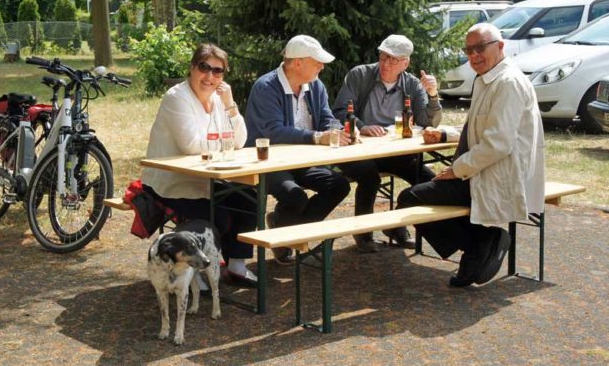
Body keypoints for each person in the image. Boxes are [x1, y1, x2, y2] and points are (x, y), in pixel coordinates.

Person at [396, 23, 545, 287]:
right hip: (479, 170)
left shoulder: (507, 82)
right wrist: (444, 135)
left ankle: (480, 243)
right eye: (469, 50)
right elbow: (478, 127)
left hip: (495, 175)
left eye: (480, 48)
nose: (474, 55)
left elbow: (498, 143)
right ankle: (478, 246)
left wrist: (458, 169)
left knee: (410, 198)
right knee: (426, 193)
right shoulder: (487, 78)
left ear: (500, 47)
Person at [141, 43, 258, 288]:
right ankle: (193, 271)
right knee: (218, 216)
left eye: (218, 71)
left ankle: (237, 265)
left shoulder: (219, 100)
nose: (210, 76)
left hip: (206, 178)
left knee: (249, 199)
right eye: (204, 67)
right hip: (171, 180)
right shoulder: (177, 98)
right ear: (192, 68)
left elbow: (239, 140)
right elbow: (191, 146)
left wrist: (231, 104)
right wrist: (222, 145)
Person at [244, 35, 352, 264]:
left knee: (339, 185)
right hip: (268, 161)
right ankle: (286, 234)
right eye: (317, 62)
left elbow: (327, 118)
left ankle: (283, 232)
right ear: (297, 63)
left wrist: (339, 131)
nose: (322, 66)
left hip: (302, 160)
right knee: (295, 195)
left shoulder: (315, 85)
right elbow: (273, 132)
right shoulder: (266, 87)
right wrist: (316, 137)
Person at [332, 34, 443, 253]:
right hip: (358, 150)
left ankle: (395, 225)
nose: (386, 64)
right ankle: (363, 234)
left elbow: (426, 121)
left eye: (393, 60)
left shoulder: (411, 84)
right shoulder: (360, 75)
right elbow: (340, 110)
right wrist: (362, 126)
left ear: (405, 63)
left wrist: (432, 95)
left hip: (394, 150)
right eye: (383, 57)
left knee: (427, 178)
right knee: (369, 176)